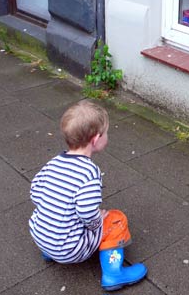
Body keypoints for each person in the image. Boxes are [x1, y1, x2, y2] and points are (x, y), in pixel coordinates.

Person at [29, 100, 147, 291]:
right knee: (116, 219)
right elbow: (85, 211)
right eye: (106, 133)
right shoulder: (89, 173)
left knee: (52, 215)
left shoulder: (54, 162)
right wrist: (97, 222)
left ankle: (49, 251)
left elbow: (35, 192)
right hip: (71, 250)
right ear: (96, 139)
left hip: (40, 236)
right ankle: (113, 274)